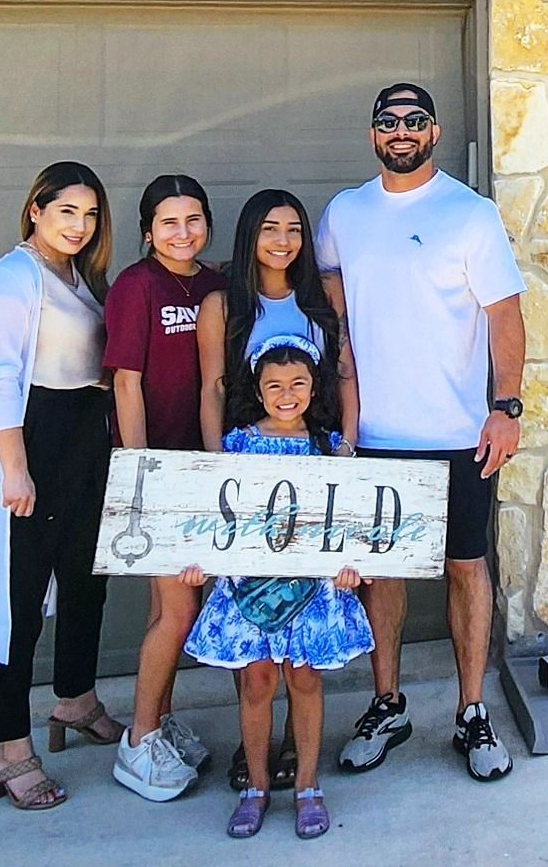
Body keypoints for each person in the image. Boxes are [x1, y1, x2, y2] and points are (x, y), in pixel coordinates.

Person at [316, 84, 526, 783]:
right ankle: (388, 706)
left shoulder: (469, 213)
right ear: (373, 134)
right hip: (376, 432)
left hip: (459, 432)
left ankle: (472, 711)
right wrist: (345, 336)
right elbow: (327, 274)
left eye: (414, 120)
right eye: (388, 121)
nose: (400, 130)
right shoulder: (345, 212)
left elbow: (505, 316)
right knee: (382, 574)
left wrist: (506, 407)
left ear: (433, 132)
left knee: (467, 566)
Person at [0, 161, 123, 811]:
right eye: (66, 211)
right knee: (19, 601)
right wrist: (15, 468)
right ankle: (8, 747)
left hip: (85, 439)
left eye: (90, 215)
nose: (79, 226)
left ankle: (76, 700)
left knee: (86, 581)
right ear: (36, 209)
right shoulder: (12, 277)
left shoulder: (78, 277)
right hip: (35, 441)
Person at [197, 188, 359, 792]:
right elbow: (213, 387)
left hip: (317, 460)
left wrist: (346, 448)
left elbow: (346, 373)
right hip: (249, 464)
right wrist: (217, 466)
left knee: (306, 624)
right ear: (250, 236)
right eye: (270, 229)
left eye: (293, 229)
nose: (283, 241)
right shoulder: (223, 303)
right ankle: (256, 752)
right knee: (252, 618)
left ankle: (297, 746)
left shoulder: (325, 295)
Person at [182, 335, 373, 840]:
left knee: (305, 680)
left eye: (297, 384)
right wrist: (200, 561)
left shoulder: (330, 448)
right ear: (258, 390)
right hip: (250, 587)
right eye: (274, 386)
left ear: (314, 387)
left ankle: (308, 784)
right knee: (257, 683)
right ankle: (256, 786)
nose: (287, 395)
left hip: (312, 589)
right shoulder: (237, 445)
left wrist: (350, 566)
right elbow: (214, 514)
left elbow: (347, 521)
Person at [104, 174, 225, 800]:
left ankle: (161, 722)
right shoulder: (137, 285)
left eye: (194, 219)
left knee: (171, 608)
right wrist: (138, 471)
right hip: (156, 472)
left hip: (199, 467)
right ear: (148, 230)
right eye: (169, 222)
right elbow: (126, 383)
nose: (183, 232)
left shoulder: (213, 285)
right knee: (178, 611)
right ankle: (139, 740)